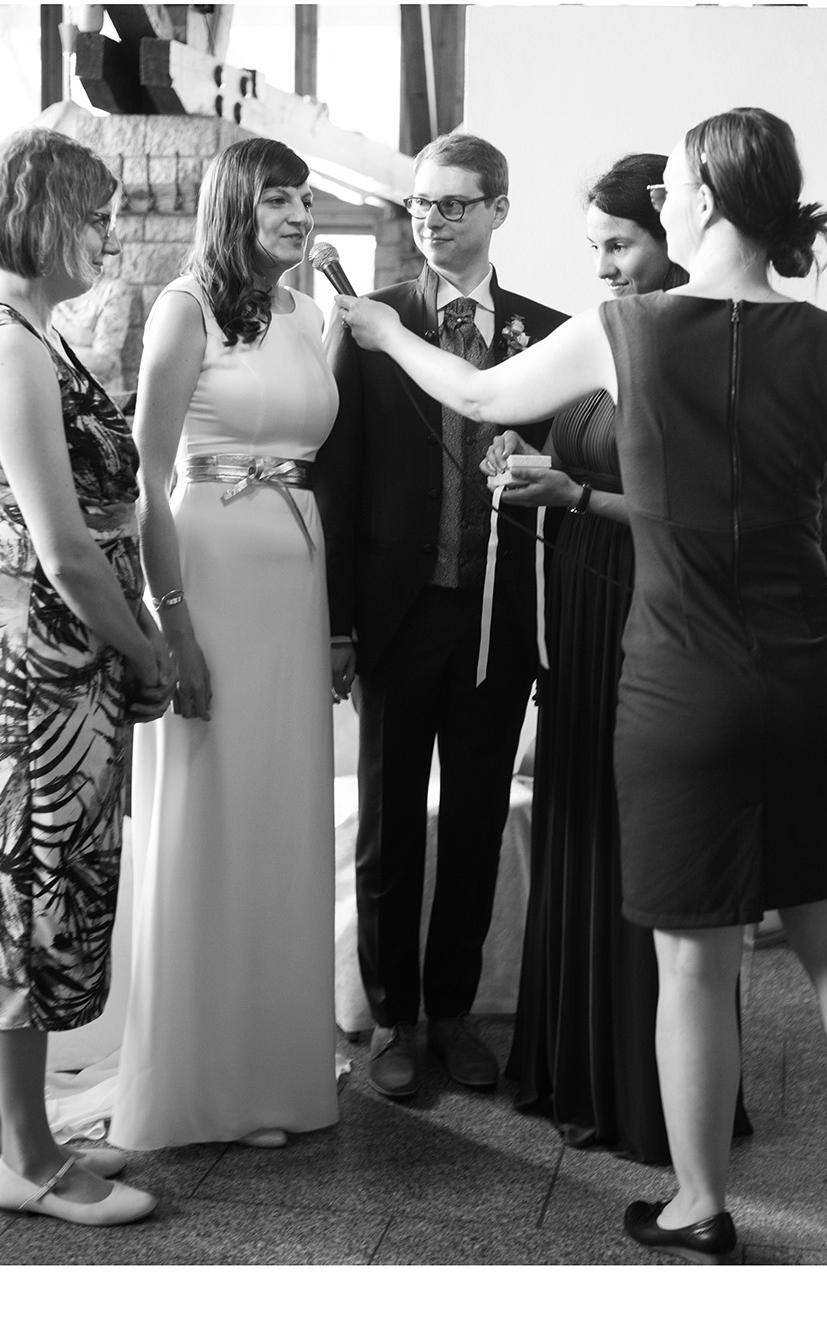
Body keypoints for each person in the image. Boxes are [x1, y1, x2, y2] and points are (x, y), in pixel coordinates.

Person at [335, 107, 827, 1262]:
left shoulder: (623, 328)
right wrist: (808, 621)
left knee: (694, 959)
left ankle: (699, 1203)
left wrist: (381, 332)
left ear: (707, 201)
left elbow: (476, 397)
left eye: (671, 185)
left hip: (679, 686)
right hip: (808, 682)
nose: (663, 201)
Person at [492, 153, 749, 1166]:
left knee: (647, 844)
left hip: (655, 612)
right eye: (593, 245)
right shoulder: (606, 330)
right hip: (583, 604)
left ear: (669, 231)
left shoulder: (694, 340)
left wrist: (576, 495)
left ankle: (651, 1092)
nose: (602, 265)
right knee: (584, 820)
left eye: (620, 244)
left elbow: (705, 513)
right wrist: (536, 469)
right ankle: (574, 1059)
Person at [0, 127, 172, 1227]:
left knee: (30, 886)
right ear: (41, 219)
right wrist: (147, 647)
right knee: (23, 894)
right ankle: (33, 1162)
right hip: (35, 652)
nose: (109, 239)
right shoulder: (10, 347)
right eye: (95, 218)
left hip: (54, 647)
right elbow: (66, 548)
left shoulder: (30, 331)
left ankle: (0, 1137)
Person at [311, 133, 568, 1100]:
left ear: (499, 209)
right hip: (397, 612)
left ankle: (454, 1011)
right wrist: (338, 624)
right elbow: (336, 478)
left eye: (453, 204)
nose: (431, 220)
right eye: (420, 203)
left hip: (500, 617)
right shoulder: (370, 324)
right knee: (388, 826)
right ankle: (393, 1017)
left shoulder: (547, 334)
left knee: (474, 821)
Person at [102, 138, 341, 1150]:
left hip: (295, 583)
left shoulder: (305, 314)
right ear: (234, 206)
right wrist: (173, 622)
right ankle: (201, 1079)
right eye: (276, 198)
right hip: (208, 575)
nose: (297, 215)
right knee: (213, 812)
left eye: (304, 198)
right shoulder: (182, 309)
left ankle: (272, 1066)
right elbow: (143, 482)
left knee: (281, 814)